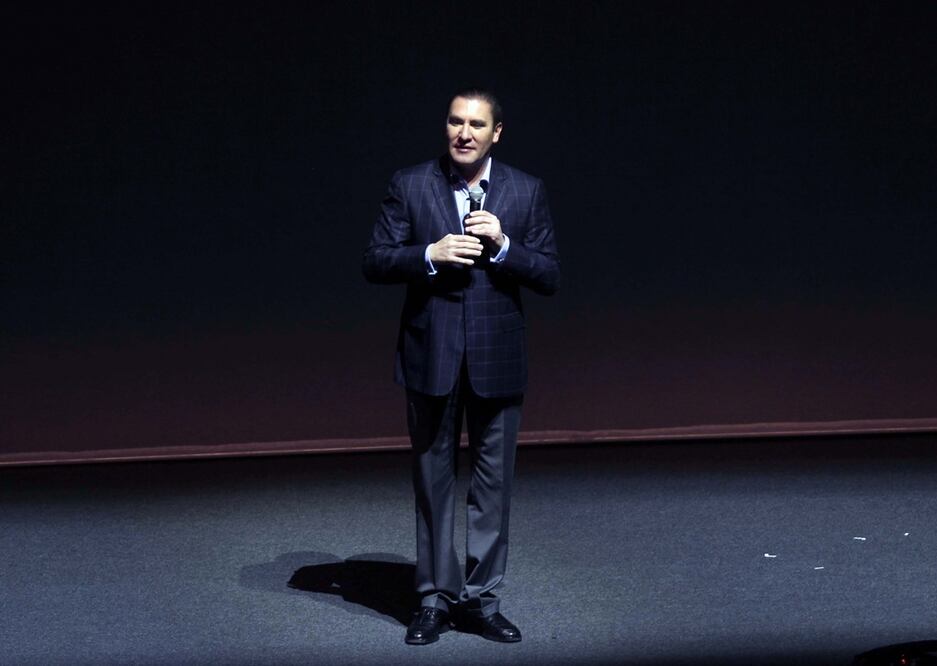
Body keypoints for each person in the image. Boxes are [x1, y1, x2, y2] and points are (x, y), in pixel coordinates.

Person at [362, 88, 560, 645]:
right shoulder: (411, 184)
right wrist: (430, 255)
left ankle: (481, 599)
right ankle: (433, 598)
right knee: (433, 483)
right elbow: (375, 260)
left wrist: (502, 246)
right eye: (455, 121)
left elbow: (548, 274)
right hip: (432, 356)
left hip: (499, 359)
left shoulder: (525, 189)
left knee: (494, 488)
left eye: (476, 124)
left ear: (497, 132)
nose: (463, 133)